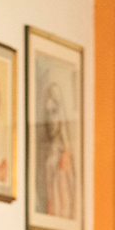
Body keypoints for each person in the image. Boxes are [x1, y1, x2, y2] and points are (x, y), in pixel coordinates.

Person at [38, 82, 77, 219]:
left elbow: (66, 203)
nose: (51, 120)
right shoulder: (48, 151)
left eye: (54, 112)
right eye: (47, 113)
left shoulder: (65, 154)